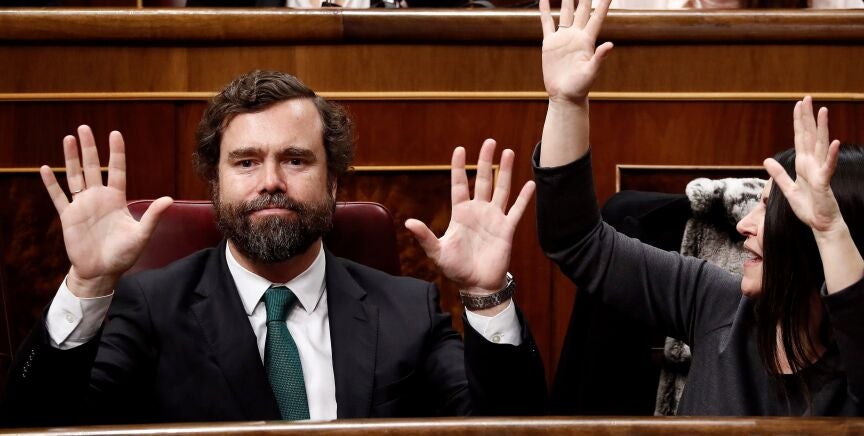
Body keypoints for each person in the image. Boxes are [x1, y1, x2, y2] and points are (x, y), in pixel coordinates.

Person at [1, 70, 545, 426]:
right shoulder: (150, 310)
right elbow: (38, 425)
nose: (271, 182)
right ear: (215, 185)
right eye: (246, 162)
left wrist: (486, 295)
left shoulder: (408, 311)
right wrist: (88, 284)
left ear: (333, 183)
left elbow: (508, 428)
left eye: (296, 160)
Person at [532, 0, 863, 415]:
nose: (744, 225)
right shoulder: (716, 301)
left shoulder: (854, 363)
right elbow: (577, 241)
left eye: (769, 209)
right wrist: (566, 103)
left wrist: (831, 231)